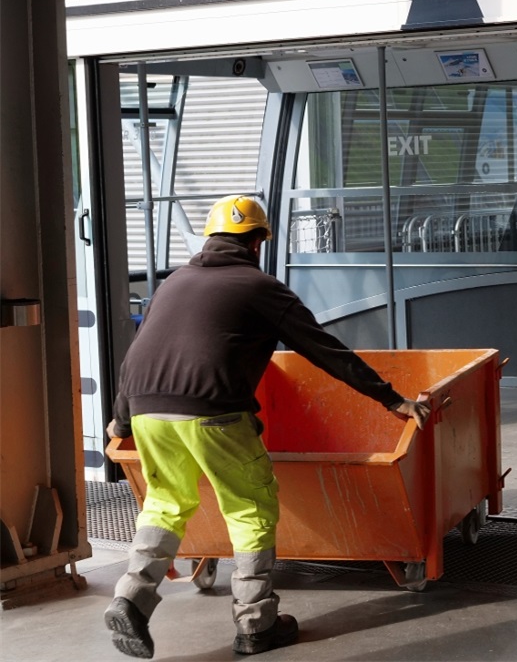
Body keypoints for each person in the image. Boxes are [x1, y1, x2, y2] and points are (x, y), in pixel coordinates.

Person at [102, 195, 429, 659]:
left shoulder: (173, 283)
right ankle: (256, 623)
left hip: (147, 411)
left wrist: (120, 418)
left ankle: (130, 598)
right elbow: (325, 350)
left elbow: (136, 356)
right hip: (213, 412)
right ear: (257, 243)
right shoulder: (260, 287)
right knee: (249, 509)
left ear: (210, 239)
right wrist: (391, 398)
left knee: (165, 502)